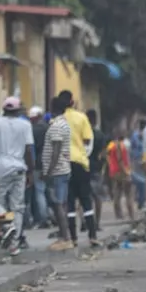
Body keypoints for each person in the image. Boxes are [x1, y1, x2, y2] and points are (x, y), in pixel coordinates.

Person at [0, 96, 35, 255]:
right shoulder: (26, 124)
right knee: (18, 207)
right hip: (20, 168)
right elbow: (29, 150)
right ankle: (14, 245)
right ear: (19, 110)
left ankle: (8, 226)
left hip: (0, 168)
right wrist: (31, 171)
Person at [58, 91, 97, 247]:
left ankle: (73, 238)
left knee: (69, 201)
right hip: (80, 162)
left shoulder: (56, 120)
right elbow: (88, 139)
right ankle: (92, 235)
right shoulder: (81, 117)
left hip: (63, 164)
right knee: (86, 199)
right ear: (72, 102)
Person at [43, 98, 76, 251]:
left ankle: (65, 238)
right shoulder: (64, 124)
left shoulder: (56, 126)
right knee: (61, 204)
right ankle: (64, 236)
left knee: (58, 205)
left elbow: (55, 151)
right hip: (63, 169)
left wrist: (49, 171)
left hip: (57, 171)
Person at [105, 127, 136, 222]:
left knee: (117, 193)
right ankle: (131, 215)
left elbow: (107, 157)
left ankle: (118, 215)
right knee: (128, 193)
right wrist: (127, 172)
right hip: (122, 172)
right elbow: (120, 160)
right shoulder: (120, 145)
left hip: (113, 172)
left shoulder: (110, 145)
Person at [28, 105, 50, 229]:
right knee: (49, 192)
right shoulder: (48, 128)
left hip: (37, 164)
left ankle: (43, 218)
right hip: (50, 163)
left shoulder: (32, 130)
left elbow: (30, 149)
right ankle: (52, 216)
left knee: (39, 192)